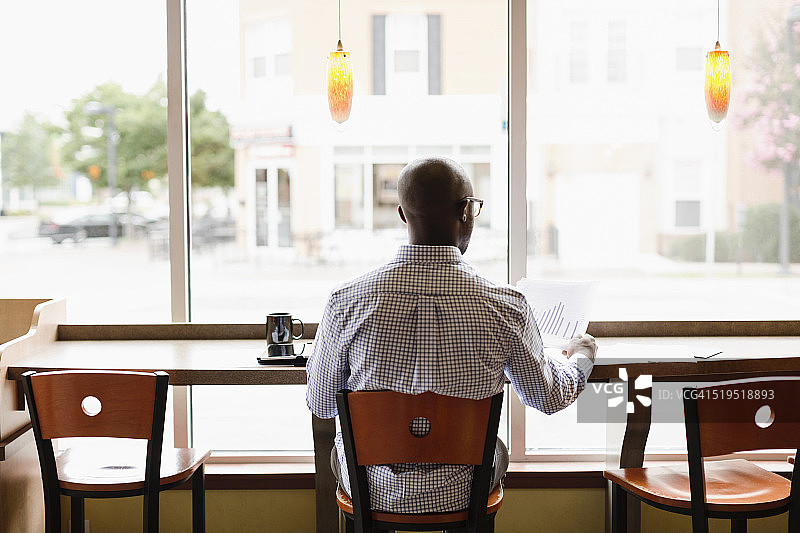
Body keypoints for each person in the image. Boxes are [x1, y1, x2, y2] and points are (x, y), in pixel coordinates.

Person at [306, 156, 597, 515]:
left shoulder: (346, 301)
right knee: (496, 450)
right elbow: (548, 397)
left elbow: (321, 403)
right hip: (464, 493)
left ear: (402, 215)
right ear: (465, 212)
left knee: (341, 450)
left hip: (372, 492)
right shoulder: (506, 306)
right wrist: (582, 357)